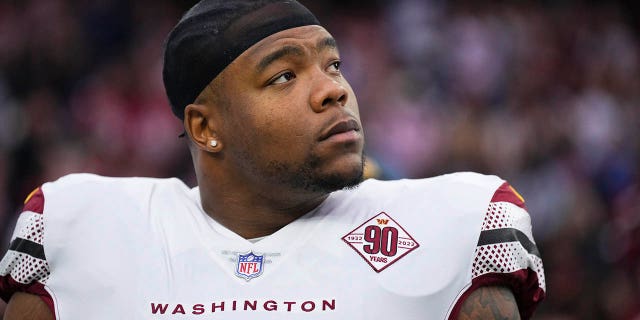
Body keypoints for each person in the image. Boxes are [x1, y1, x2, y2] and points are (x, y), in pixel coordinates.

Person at [0, 0, 545, 319]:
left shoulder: (454, 223)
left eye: (333, 65)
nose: (333, 90)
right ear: (205, 127)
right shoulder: (83, 228)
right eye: (284, 76)